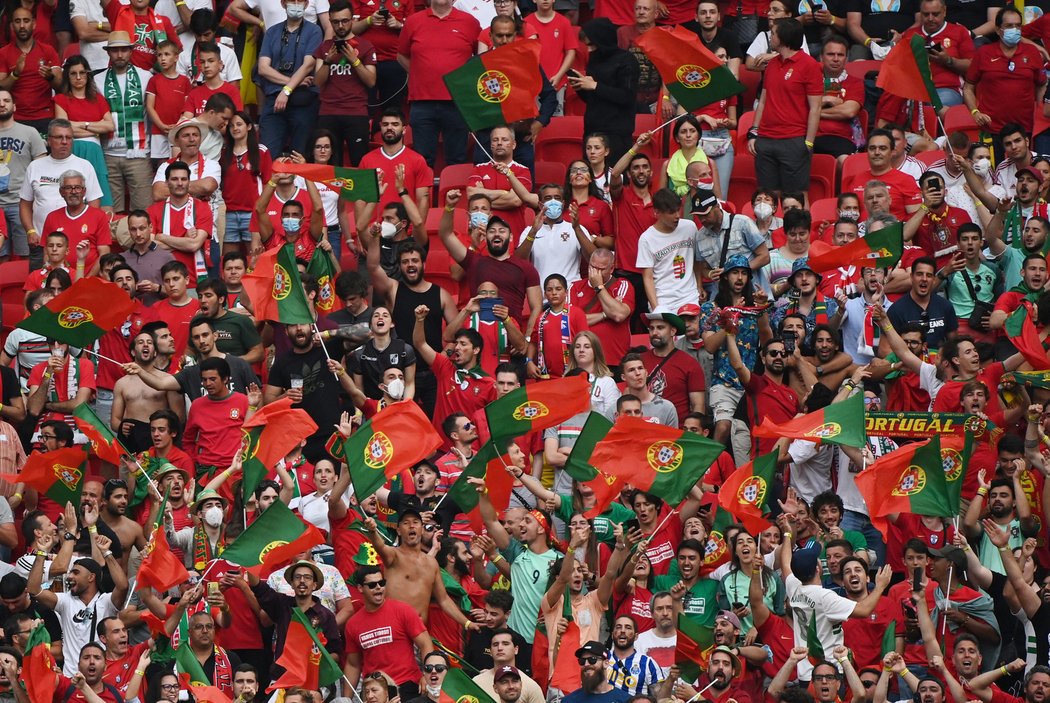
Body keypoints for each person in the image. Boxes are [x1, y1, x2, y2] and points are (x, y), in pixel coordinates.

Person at [397, 0, 479, 167]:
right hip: (422, 101)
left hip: (458, 102)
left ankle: (455, 193)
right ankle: (421, 194)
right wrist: (418, 73)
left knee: (457, 159)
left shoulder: (470, 22)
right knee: (422, 160)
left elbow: (480, 58)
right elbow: (401, 55)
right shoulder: (413, 21)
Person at [748, 18, 821, 194]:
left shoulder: (810, 65)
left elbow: (815, 108)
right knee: (767, 197)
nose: (770, 37)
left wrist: (809, 143)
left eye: (773, 33)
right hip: (765, 140)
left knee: (797, 197)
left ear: (783, 38)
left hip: (793, 140)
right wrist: (754, 131)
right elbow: (763, 100)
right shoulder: (771, 65)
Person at [343, 565, 435, 699]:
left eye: (381, 583)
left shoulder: (403, 610)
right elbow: (353, 665)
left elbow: (425, 644)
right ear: (360, 588)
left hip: (406, 685)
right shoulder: (352, 624)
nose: (378, 587)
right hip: (374, 690)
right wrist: (346, 700)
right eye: (372, 585)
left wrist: (427, 675)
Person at [19, 119, 103, 262]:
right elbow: (25, 204)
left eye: (69, 137)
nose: (64, 142)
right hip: (41, 242)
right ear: (49, 140)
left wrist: (85, 231)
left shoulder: (84, 166)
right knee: (41, 283)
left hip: (76, 242)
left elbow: (94, 204)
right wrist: (30, 231)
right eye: (59, 137)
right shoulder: (35, 166)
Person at [965, 7, 1045, 146]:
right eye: (1009, 26)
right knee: (993, 168)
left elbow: (1041, 84)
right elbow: (968, 87)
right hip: (991, 129)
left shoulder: (1032, 52)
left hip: (1024, 130)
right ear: (998, 30)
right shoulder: (984, 53)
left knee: (1024, 168)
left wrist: (1039, 115)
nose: (1014, 30)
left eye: (1018, 26)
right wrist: (975, 112)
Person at [95, 31, 153, 215]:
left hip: (139, 151)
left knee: (144, 210)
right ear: (108, 53)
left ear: (131, 51)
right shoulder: (97, 80)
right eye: (115, 50)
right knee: (111, 212)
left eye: (123, 50)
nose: (119, 54)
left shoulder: (146, 77)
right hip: (108, 153)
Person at [255, 0, 322, 156]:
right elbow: (263, 68)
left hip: (303, 101)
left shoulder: (314, 31)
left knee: (299, 155)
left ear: (306, 4)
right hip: (274, 99)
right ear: (283, 3)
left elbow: (308, 65)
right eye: (292, 0)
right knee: (267, 154)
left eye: (301, 1)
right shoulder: (272, 32)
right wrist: (291, 84)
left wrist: (287, 90)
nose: (296, 4)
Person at [314, 0, 376, 168]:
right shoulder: (325, 46)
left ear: (352, 20)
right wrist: (327, 61)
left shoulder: (365, 46)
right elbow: (318, 82)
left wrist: (354, 61)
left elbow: (371, 81)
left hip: (356, 112)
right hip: (328, 112)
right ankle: (331, 195)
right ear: (330, 21)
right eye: (335, 22)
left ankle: (360, 196)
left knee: (360, 162)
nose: (340, 25)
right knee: (330, 164)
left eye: (344, 21)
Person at [569, 19, 638, 165]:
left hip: (616, 132)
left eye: (592, 45)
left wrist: (595, 86)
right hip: (592, 129)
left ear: (603, 41)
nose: (588, 50)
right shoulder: (594, 59)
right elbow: (593, 99)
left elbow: (626, 96)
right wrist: (581, 88)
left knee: (614, 177)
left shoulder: (627, 60)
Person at [147, 161, 212, 289]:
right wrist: (185, 240)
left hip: (193, 283)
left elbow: (194, 245)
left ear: (189, 181)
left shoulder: (202, 208)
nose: (180, 183)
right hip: (160, 282)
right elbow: (150, 246)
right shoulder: (153, 210)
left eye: (184, 179)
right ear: (166, 182)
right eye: (175, 179)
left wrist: (162, 237)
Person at [0, 89, 45, 263]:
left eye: (6, 100)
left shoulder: (29, 132)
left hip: (21, 204)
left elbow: (42, 167)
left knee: (26, 254)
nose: (2, 104)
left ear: (14, 106)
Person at [562, 641, 631, 703]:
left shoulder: (626, 700)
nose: (586, 664)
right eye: (582, 661)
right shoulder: (569, 701)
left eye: (592, 659)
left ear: (606, 663)